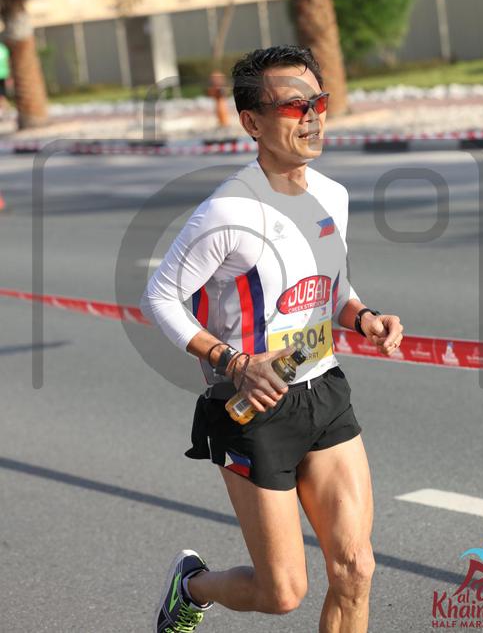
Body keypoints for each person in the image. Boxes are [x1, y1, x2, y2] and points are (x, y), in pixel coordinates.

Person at [141, 45, 404, 633]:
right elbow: (159, 297)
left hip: (324, 391)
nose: (311, 117)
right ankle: (192, 586)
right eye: (292, 106)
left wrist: (364, 316)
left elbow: (331, 288)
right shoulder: (227, 212)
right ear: (252, 122)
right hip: (251, 409)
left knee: (356, 568)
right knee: (282, 591)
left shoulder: (332, 196)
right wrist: (234, 362)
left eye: (318, 102)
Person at [0, 41, 11, 119]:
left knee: (2, 94)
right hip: (4, 74)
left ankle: (3, 110)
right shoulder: (3, 48)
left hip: (3, 74)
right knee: (2, 94)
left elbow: (7, 62)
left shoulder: (3, 48)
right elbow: (8, 62)